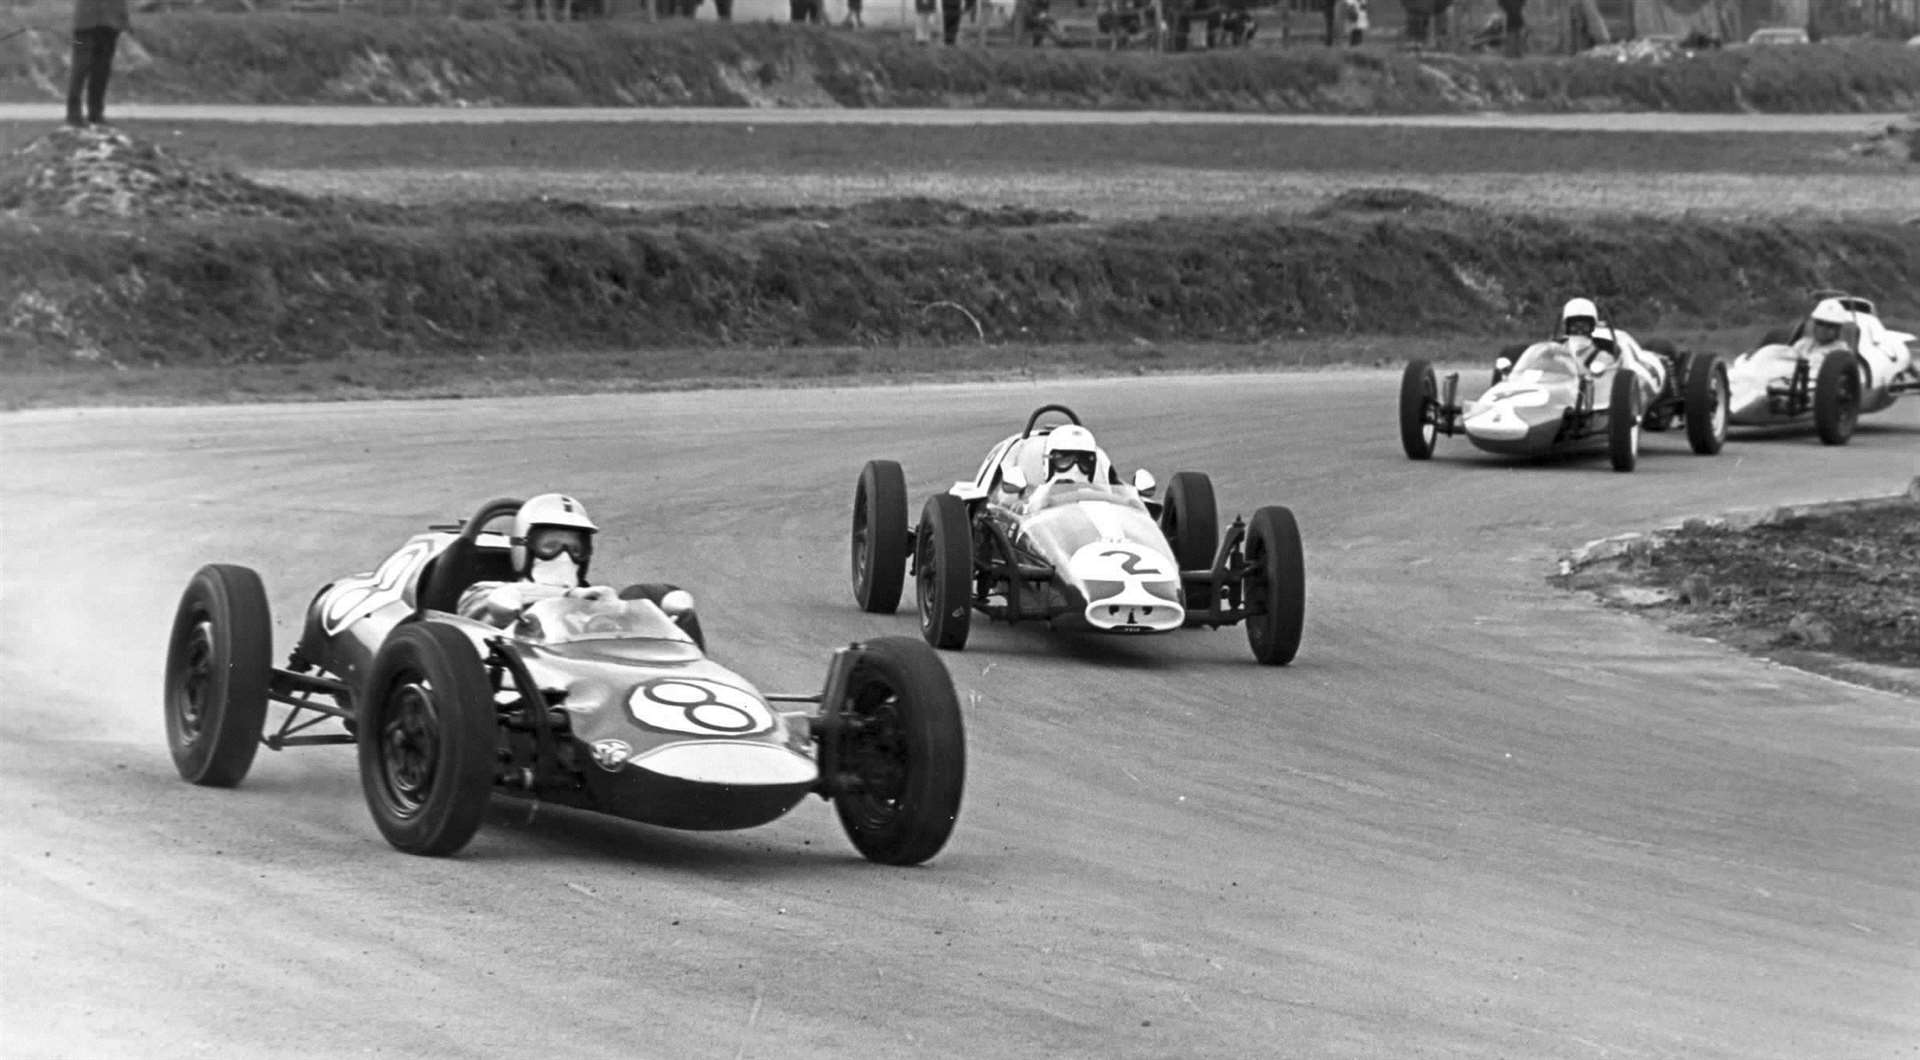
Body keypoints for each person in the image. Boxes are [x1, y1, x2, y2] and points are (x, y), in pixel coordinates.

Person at [458, 493, 619, 628]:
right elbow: (502, 599)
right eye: (550, 546)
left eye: (575, 550)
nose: (564, 557)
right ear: (524, 547)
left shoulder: (592, 599)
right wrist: (571, 594)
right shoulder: (481, 592)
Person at [67, 0, 129, 128]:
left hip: (110, 21)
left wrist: (123, 19)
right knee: (80, 67)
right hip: (86, 20)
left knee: (102, 70)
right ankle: (73, 114)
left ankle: (95, 113)